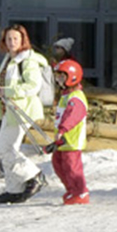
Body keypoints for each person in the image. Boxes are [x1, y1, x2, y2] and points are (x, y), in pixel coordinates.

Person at [0, 24, 52, 203]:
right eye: (8, 39)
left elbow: (33, 86)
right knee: (6, 149)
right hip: (8, 111)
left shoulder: (28, 60)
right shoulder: (9, 58)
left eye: (16, 38)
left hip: (21, 110)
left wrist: (8, 91)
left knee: (6, 148)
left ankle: (34, 175)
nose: (12, 42)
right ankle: (14, 189)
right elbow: (3, 82)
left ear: (23, 40)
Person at [47, 59, 91, 206]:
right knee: (58, 163)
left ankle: (80, 192)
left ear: (72, 77)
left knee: (72, 167)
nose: (59, 80)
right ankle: (71, 189)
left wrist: (63, 129)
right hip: (63, 140)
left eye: (62, 77)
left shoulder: (76, 98)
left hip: (71, 140)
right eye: (57, 77)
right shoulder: (66, 96)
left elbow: (72, 116)